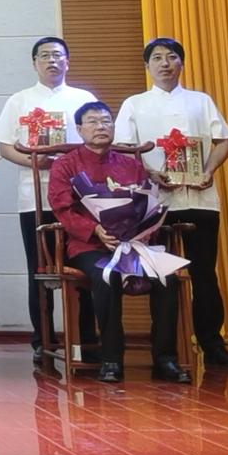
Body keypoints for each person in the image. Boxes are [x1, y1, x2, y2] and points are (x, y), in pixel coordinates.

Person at [114, 37, 228, 368]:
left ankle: (212, 344)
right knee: (162, 276)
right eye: (157, 58)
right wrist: (151, 173)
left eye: (171, 57)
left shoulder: (200, 101)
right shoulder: (135, 104)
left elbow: (224, 141)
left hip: (200, 199)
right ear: (147, 66)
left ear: (181, 63)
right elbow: (123, 151)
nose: (165, 63)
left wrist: (208, 170)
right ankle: (165, 351)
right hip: (157, 203)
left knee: (204, 273)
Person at [50, 102, 192, 384]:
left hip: (135, 244)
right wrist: (95, 229)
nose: (101, 127)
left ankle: (165, 359)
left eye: (106, 121)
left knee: (167, 278)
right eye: (93, 122)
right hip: (89, 245)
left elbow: (147, 204)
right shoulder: (65, 165)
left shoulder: (132, 165)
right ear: (79, 129)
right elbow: (62, 208)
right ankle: (111, 358)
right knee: (108, 275)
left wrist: (143, 230)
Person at [0, 37, 100, 363]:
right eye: (45, 56)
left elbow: (98, 143)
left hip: (80, 199)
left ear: (67, 61)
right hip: (34, 197)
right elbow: (4, 146)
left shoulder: (84, 99)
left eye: (57, 55)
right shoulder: (19, 100)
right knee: (39, 268)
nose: (52, 61)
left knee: (84, 267)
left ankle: (86, 339)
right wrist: (32, 162)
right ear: (34, 63)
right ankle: (43, 339)